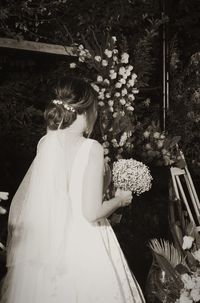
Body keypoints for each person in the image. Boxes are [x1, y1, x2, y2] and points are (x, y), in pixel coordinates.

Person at [0, 77, 145, 303]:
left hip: (46, 245)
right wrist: (120, 200)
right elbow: (90, 212)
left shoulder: (47, 143)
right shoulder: (91, 148)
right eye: (96, 109)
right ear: (86, 111)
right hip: (85, 246)